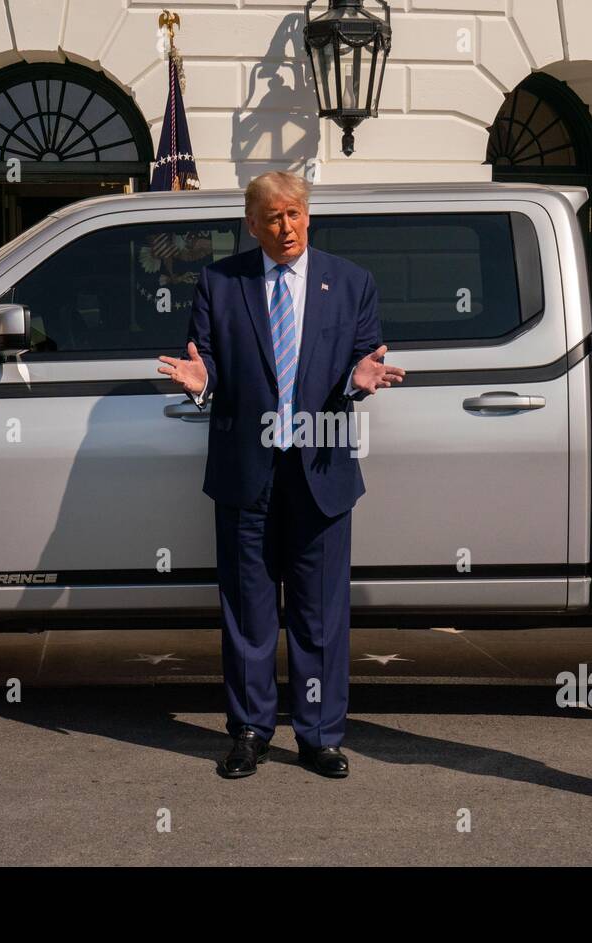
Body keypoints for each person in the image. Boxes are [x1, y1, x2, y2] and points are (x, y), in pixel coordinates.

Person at [157, 171, 405, 779]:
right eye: (272, 217)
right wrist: (203, 382)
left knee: (320, 612)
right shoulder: (220, 281)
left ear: (308, 216)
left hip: (320, 469)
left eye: (294, 213)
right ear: (252, 225)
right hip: (248, 471)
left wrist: (356, 381)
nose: (285, 226)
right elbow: (206, 358)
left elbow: (362, 358)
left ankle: (319, 735)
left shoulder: (351, 282)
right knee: (249, 611)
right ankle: (249, 730)